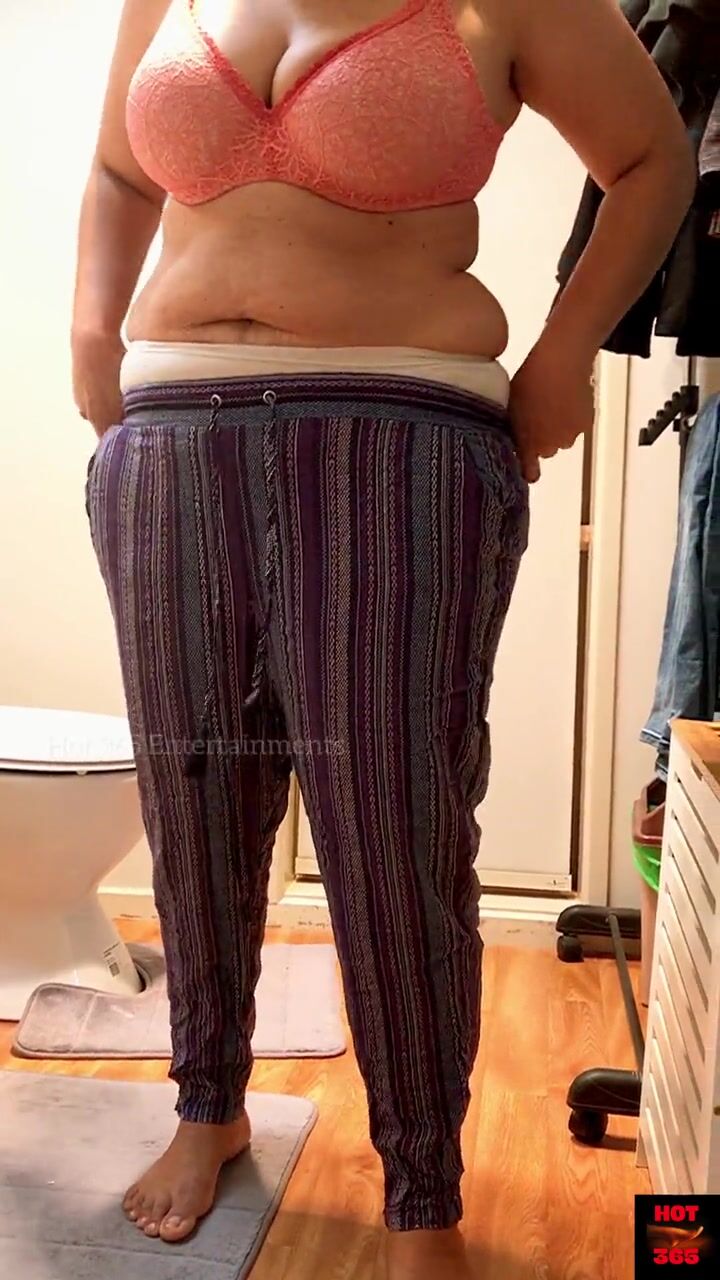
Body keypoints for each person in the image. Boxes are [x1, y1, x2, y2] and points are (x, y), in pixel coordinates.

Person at [72, 1, 693, 1276]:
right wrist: (92, 330)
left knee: (392, 823)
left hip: (398, 435)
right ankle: (207, 1103)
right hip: (172, 438)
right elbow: (122, 172)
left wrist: (565, 354)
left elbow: (652, 159)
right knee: (194, 797)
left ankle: (421, 1194)